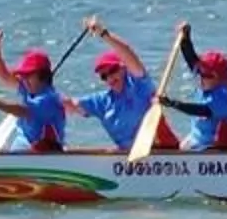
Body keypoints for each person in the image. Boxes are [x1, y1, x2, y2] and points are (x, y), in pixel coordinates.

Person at [65, 15, 158, 149]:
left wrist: (103, 33)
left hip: (155, 151)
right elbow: (70, 105)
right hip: (126, 159)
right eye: (104, 76)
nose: (110, 78)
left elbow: (127, 52)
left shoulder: (140, 86)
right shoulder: (102, 102)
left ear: (124, 67)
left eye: (113, 70)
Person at [156, 21, 227, 151]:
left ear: (220, 78)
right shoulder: (206, 80)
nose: (201, 77)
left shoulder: (223, 96)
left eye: (206, 75)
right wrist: (185, 38)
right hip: (198, 144)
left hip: (220, 149)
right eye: (201, 73)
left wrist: (173, 104)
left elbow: (202, 110)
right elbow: (191, 59)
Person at [0, 30, 68, 151]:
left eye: (28, 75)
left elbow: (23, 111)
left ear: (42, 76)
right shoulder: (28, 88)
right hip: (22, 151)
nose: (24, 79)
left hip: (43, 154)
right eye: (23, 75)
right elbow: (3, 75)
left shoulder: (50, 99)